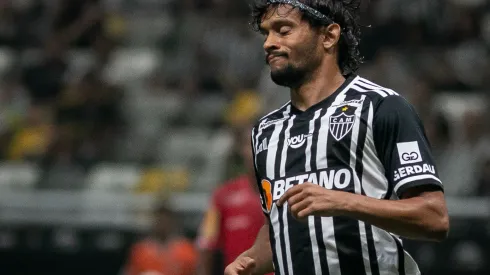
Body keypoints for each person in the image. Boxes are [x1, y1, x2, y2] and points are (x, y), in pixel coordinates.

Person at [225, 1, 449, 275]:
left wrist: (343, 201)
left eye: (283, 31)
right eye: (266, 33)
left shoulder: (382, 107)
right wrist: (248, 261)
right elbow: (279, 225)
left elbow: (434, 217)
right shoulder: (265, 131)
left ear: (329, 36)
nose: (269, 43)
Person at [197, 125, 272, 275]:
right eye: (249, 145)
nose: (254, 151)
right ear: (241, 150)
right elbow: (206, 244)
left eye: (261, 144)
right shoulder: (222, 196)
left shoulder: (288, 191)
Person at [124, 201, 197, 275]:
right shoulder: (140, 250)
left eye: (166, 220)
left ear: (172, 221)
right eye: (160, 219)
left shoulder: (186, 249)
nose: (163, 224)